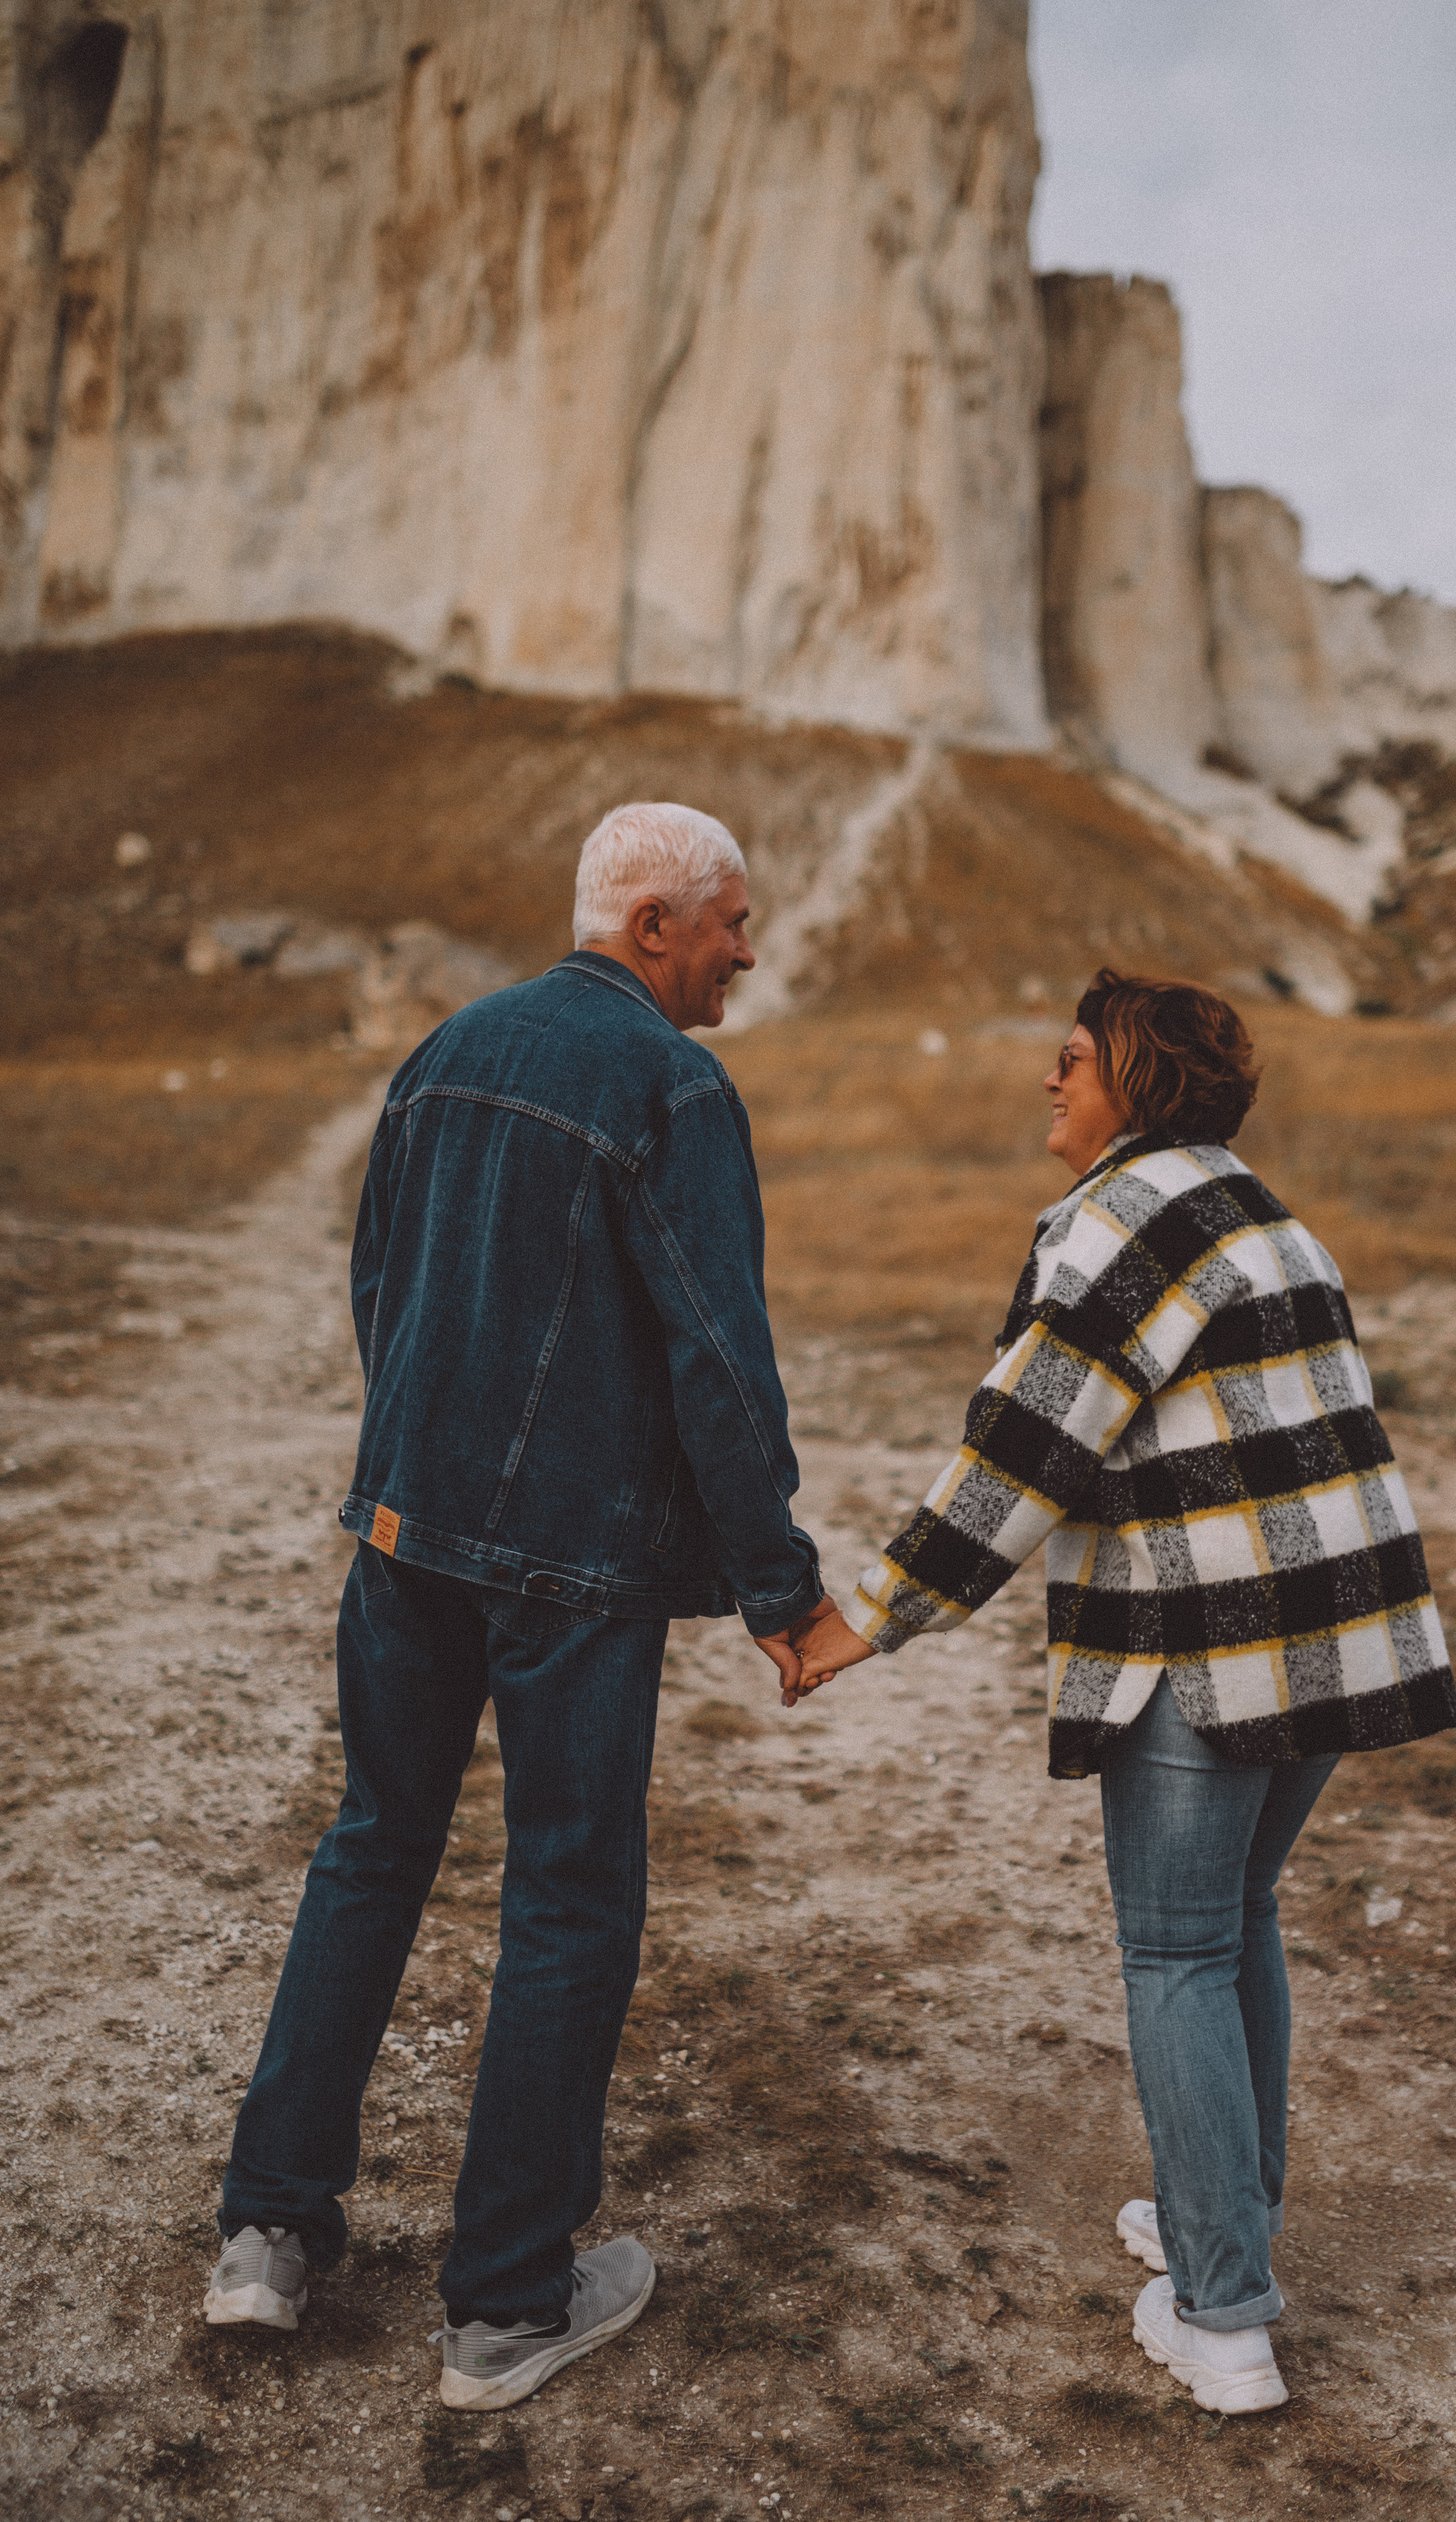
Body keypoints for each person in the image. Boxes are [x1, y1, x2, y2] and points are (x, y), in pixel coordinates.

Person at [203, 802, 823, 2410]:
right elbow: (717, 1352)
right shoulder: (674, 1085)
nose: (747, 951)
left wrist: (418, 1459)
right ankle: (504, 2305)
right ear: (650, 926)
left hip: (406, 1531)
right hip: (572, 1564)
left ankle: (266, 2237)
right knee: (565, 1897)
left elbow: (377, 1290)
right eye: (731, 923)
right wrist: (778, 1581)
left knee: (372, 1844)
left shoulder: (447, 1049)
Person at [788, 970, 1456, 2416]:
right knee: (1232, 1927)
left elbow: (1028, 1446)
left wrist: (868, 1618)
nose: (1049, 1078)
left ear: (1132, 1082)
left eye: (1072, 1057)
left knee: (1171, 1955)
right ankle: (1226, 2210)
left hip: (1203, 1652)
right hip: (1335, 1643)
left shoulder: (1111, 1221)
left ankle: (1219, 2317)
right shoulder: (1269, 1216)